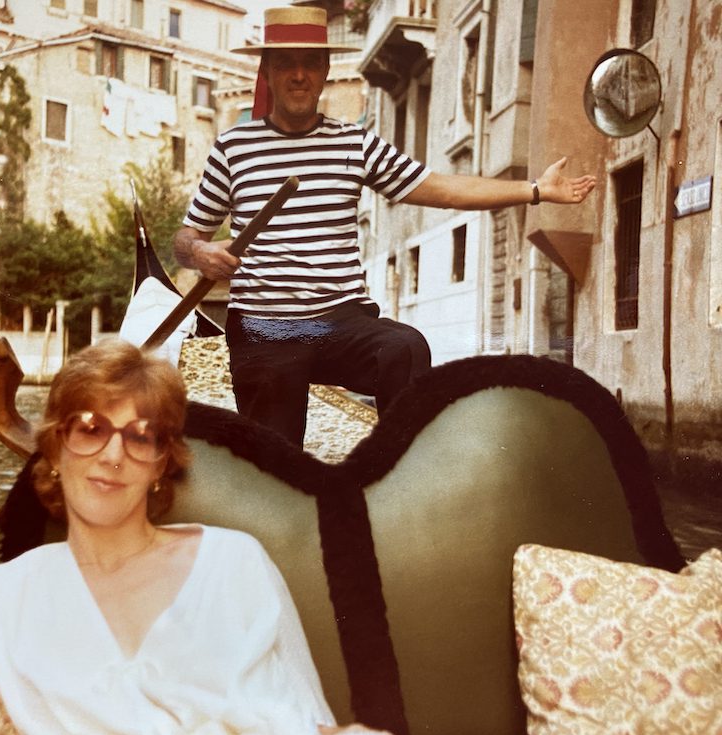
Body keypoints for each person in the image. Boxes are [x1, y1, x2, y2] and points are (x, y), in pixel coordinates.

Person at [0, 339, 402, 735]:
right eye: (90, 428)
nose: (113, 454)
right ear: (55, 448)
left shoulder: (234, 561)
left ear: (161, 463)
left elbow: (311, 725)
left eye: (141, 436)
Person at [174, 6, 597, 447]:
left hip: (340, 320)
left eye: (311, 63)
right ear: (267, 71)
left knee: (404, 347)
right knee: (277, 454)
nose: (299, 75)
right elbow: (186, 240)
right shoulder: (234, 147)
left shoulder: (353, 142)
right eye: (286, 63)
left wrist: (535, 189)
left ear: (325, 70)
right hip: (266, 326)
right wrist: (201, 253)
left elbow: (443, 188)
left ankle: (399, 469)